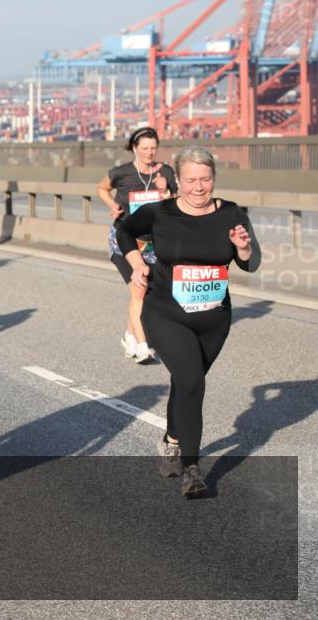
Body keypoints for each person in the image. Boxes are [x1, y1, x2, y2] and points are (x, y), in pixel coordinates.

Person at [116, 146, 259, 498]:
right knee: (193, 381)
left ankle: (172, 439)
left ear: (214, 179)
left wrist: (242, 248)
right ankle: (192, 469)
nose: (199, 187)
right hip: (166, 311)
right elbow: (124, 231)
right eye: (191, 180)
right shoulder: (159, 212)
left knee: (186, 382)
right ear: (177, 180)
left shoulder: (232, 213)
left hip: (214, 317)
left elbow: (251, 262)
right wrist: (138, 264)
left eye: (205, 179)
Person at [98, 127, 178, 364]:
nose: (149, 152)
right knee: (139, 289)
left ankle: (129, 336)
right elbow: (102, 188)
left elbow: (176, 202)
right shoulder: (121, 173)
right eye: (145, 148)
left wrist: (165, 190)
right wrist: (112, 205)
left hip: (151, 242)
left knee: (144, 291)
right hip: (123, 239)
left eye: (153, 148)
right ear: (135, 148)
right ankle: (144, 347)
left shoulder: (166, 172)